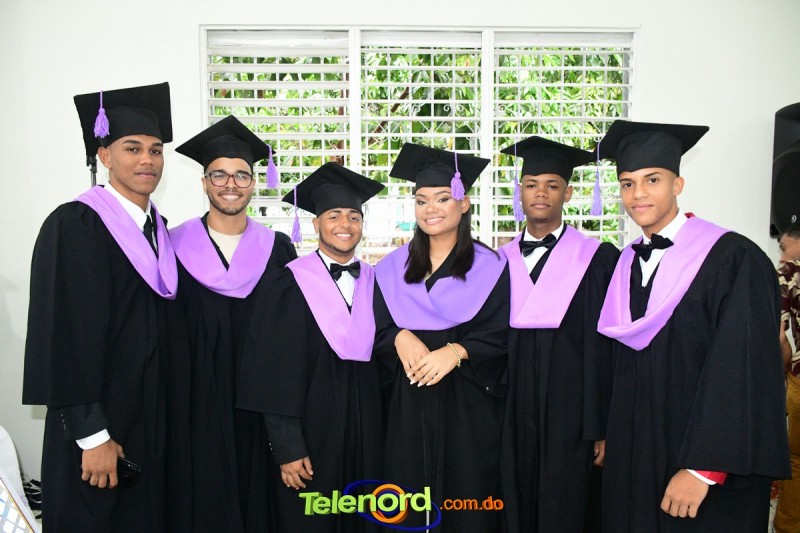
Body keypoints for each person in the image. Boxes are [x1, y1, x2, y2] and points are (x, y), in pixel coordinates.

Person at [596, 120, 791, 532]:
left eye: (652, 179)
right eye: (628, 183)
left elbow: (744, 369)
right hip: (636, 459)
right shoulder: (625, 263)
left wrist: (704, 470)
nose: (638, 194)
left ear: (678, 185)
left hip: (701, 466)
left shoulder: (732, 258)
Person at [22, 83, 184, 532]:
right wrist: (91, 435)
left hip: (150, 421)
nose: (147, 160)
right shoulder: (76, 224)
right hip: (99, 428)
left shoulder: (161, 233)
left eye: (155, 150)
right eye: (132, 148)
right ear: (105, 155)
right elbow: (63, 335)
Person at [237, 162, 384, 532]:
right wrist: (287, 447)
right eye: (334, 216)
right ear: (316, 223)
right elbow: (272, 374)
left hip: (368, 433)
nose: (345, 225)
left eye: (354, 216)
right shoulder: (286, 286)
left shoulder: (378, 283)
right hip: (310, 439)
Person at [169, 116, 297, 532]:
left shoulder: (278, 249)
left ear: (254, 183)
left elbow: (291, 334)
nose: (230, 184)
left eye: (241, 175)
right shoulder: (172, 244)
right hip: (194, 401)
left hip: (260, 403)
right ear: (204, 183)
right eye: (219, 175)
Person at [373, 143, 509, 532]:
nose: (430, 208)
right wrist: (397, 336)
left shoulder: (491, 267)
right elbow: (375, 328)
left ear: (464, 204)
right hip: (408, 405)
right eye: (421, 200)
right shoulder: (391, 268)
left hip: (469, 406)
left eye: (443, 198)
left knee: (467, 504)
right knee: (407, 503)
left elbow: (502, 332)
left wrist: (457, 351)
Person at [497, 137, 618, 533]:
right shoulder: (496, 262)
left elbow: (606, 349)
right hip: (510, 409)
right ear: (520, 192)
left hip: (573, 412)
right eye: (532, 184)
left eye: (552, 185)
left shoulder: (598, 259)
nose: (541, 193)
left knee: (567, 506)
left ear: (567, 193)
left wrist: (601, 426)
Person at [775, 222, 800, 533]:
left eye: (784, 248)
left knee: (797, 461)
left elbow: (778, 337)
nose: (782, 256)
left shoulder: (788, 272)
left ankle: (787, 528)